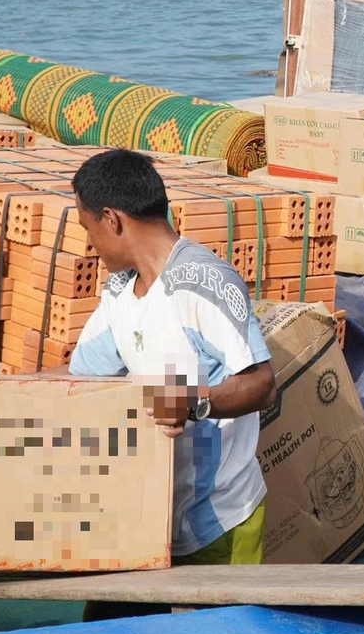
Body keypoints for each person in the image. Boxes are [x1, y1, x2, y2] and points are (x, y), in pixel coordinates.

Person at [66, 149, 276, 565]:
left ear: (112, 220)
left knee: (213, 629)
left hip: (219, 520)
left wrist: (193, 403)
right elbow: (80, 376)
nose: (89, 246)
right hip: (148, 514)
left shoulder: (203, 283)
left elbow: (261, 384)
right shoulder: (120, 291)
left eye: (87, 229)